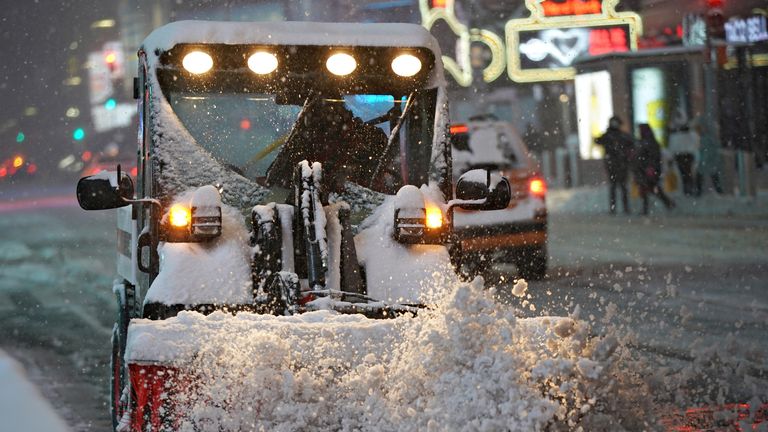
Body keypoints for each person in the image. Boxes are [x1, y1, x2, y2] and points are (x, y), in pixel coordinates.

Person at [595, 116, 634, 214]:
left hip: (616, 163)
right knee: (619, 186)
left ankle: (617, 208)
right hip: (617, 164)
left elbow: (598, 141)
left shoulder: (612, 136)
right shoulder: (616, 136)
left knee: (618, 186)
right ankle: (621, 208)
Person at [634, 124, 675, 215]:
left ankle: (667, 204)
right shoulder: (645, 141)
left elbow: (653, 156)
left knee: (651, 189)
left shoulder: (649, 142)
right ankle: (667, 204)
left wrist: (650, 167)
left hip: (648, 170)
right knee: (649, 189)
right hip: (645, 170)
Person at [667, 122, 700, 196]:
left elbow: (672, 148)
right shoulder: (691, 134)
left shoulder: (674, 136)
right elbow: (695, 145)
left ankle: (687, 189)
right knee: (688, 173)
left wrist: (671, 158)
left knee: (683, 173)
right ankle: (690, 188)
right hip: (688, 155)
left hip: (680, 156)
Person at [693, 116, 724, 195]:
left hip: (707, 159)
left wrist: (704, 159)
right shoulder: (707, 137)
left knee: (706, 175)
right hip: (707, 160)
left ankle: (699, 191)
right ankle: (718, 190)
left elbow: (709, 149)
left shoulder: (706, 138)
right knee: (712, 175)